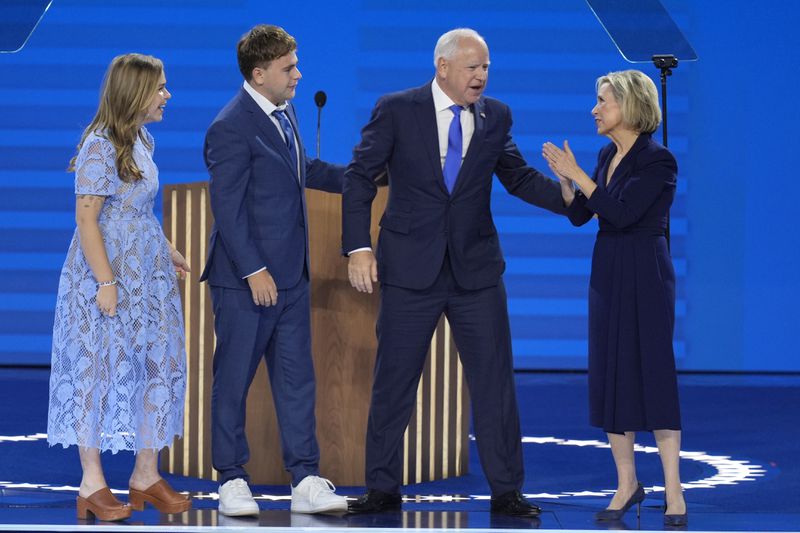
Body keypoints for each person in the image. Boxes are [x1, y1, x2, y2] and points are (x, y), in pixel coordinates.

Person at [343, 28, 567, 516]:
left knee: (494, 384)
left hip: (476, 273)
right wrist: (358, 247)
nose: (481, 76)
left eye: (486, 67)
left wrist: (571, 200)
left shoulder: (496, 116)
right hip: (408, 269)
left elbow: (518, 176)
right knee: (394, 380)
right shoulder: (397, 109)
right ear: (442, 67)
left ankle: (507, 490)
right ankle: (382, 486)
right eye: (472, 67)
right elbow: (360, 177)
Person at [200, 24, 347, 516]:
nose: (298, 75)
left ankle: (304, 477)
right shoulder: (230, 125)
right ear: (259, 74)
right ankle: (231, 479)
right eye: (289, 68)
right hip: (247, 282)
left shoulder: (286, 113)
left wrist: (367, 175)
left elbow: (305, 170)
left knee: (296, 380)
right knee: (234, 379)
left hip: (291, 279)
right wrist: (253, 270)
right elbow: (228, 207)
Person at [47, 53, 192, 521]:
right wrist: (105, 282)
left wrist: (166, 248)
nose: (167, 96)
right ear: (136, 93)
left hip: (146, 274)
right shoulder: (98, 145)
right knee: (96, 370)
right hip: (105, 274)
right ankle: (92, 484)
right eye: (161, 88)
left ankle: (145, 475)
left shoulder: (142, 140)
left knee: (156, 360)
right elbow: (87, 218)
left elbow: (136, 208)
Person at [542, 69, 687, 527]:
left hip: (645, 270)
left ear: (629, 106)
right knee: (611, 372)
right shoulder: (607, 153)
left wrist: (580, 175)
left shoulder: (658, 161)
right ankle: (627, 483)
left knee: (653, 372)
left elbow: (624, 214)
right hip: (608, 271)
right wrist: (567, 184)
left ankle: (674, 487)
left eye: (603, 100)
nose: (595, 108)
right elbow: (585, 215)